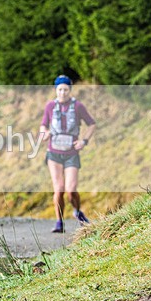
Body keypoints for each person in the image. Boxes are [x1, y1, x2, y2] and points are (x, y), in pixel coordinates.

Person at [39, 75, 96, 233]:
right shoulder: (50, 106)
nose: (62, 92)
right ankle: (59, 222)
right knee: (59, 189)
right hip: (54, 154)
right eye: (60, 89)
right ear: (55, 90)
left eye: (65, 89)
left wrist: (84, 141)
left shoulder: (78, 106)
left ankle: (77, 211)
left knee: (71, 190)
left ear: (70, 90)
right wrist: (44, 133)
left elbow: (91, 124)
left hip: (71, 153)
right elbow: (43, 126)